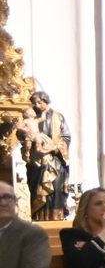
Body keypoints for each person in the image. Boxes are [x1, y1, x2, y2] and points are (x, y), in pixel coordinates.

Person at [21, 89, 70, 220]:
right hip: (36, 161)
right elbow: (21, 133)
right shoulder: (30, 118)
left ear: (45, 101)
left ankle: (55, 217)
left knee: (55, 188)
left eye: (39, 102)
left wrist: (54, 147)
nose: (36, 105)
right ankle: (38, 217)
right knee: (37, 190)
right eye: (34, 103)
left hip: (54, 159)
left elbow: (66, 137)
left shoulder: (58, 117)